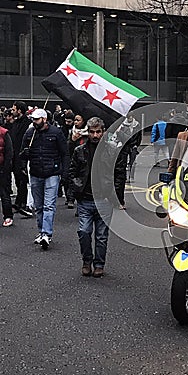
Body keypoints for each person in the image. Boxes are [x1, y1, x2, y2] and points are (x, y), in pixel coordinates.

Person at [69, 117, 113, 277]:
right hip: (85, 199)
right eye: (92, 132)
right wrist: (75, 191)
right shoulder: (79, 150)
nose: (95, 135)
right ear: (88, 133)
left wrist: (115, 197)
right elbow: (72, 172)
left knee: (101, 236)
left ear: (103, 132)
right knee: (84, 232)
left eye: (98, 132)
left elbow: (118, 173)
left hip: (104, 200)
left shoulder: (111, 150)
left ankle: (99, 264)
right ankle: (87, 260)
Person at [20, 109, 67, 249]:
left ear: (44, 119)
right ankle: (42, 231)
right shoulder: (30, 133)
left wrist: (64, 172)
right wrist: (24, 157)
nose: (34, 122)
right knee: (39, 205)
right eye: (33, 119)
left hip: (52, 172)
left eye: (37, 119)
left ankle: (46, 233)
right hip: (35, 172)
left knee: (49, 205)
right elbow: (22, 153)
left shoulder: (56, 133)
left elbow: (65, 153)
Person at [11, 101, 33, 217]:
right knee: (18, 179)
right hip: (15, 155)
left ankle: (23, 202)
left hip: (23, 155)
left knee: (23, 179)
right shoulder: (15, 123)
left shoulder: (28, 124)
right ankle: (19, 201)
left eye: (14, 109)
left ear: (19, 110)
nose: (12, 111)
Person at [0, 124, 14, 227]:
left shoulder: (4, 133)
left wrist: (6, 168)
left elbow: (9, 152)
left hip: (2, 168)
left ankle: (8, 216)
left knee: (4, 192)